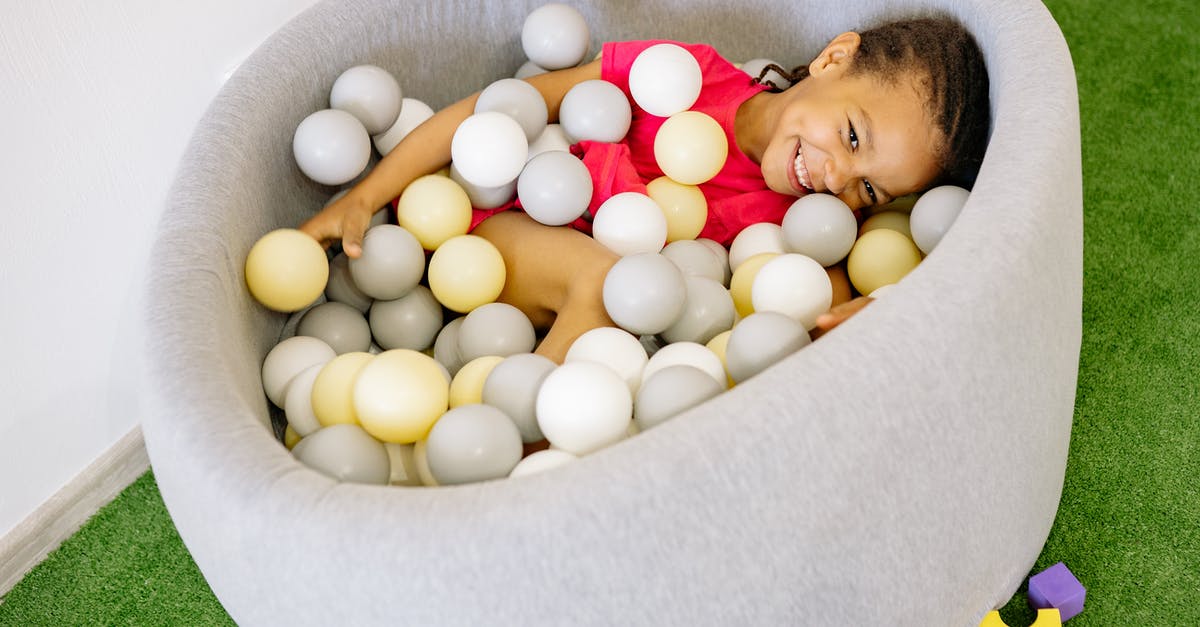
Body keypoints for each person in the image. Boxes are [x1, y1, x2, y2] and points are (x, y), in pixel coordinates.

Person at [300, 16, 990, 363]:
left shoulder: (802, 234)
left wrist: (879, 304)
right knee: (609, 282)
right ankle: (526, 478)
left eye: (870, 190)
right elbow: (501, 109)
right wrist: (366, 195)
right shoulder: (685, 75)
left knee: (623, 291)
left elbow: (819, 316)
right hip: (501, 232)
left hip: (601, 345)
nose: (838, 178)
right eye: (850, 136)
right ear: (834, 58)